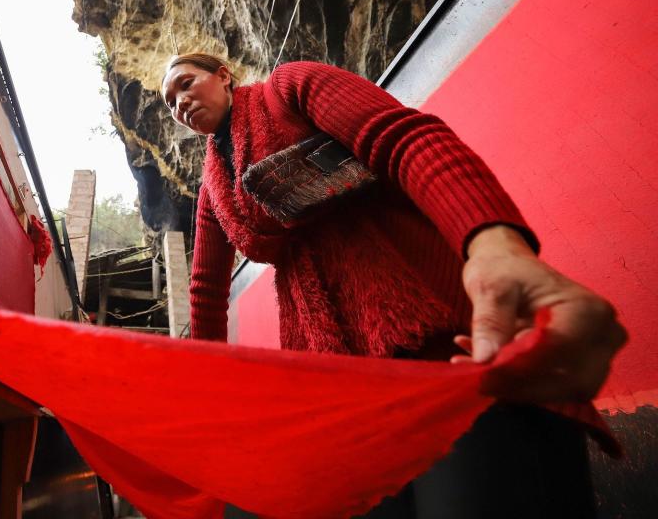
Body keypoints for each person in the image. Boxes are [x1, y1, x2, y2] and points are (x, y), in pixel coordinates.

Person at [160, 53, 627, 518]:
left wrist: (495, 247)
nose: (180, 103)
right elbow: (205, 287)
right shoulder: (211, 190)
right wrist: (209, 395)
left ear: (223, 75)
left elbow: (403, 138)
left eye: (185, 84)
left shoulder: (287, 89)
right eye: (169, 103)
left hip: (436, 321)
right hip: (341, 384)